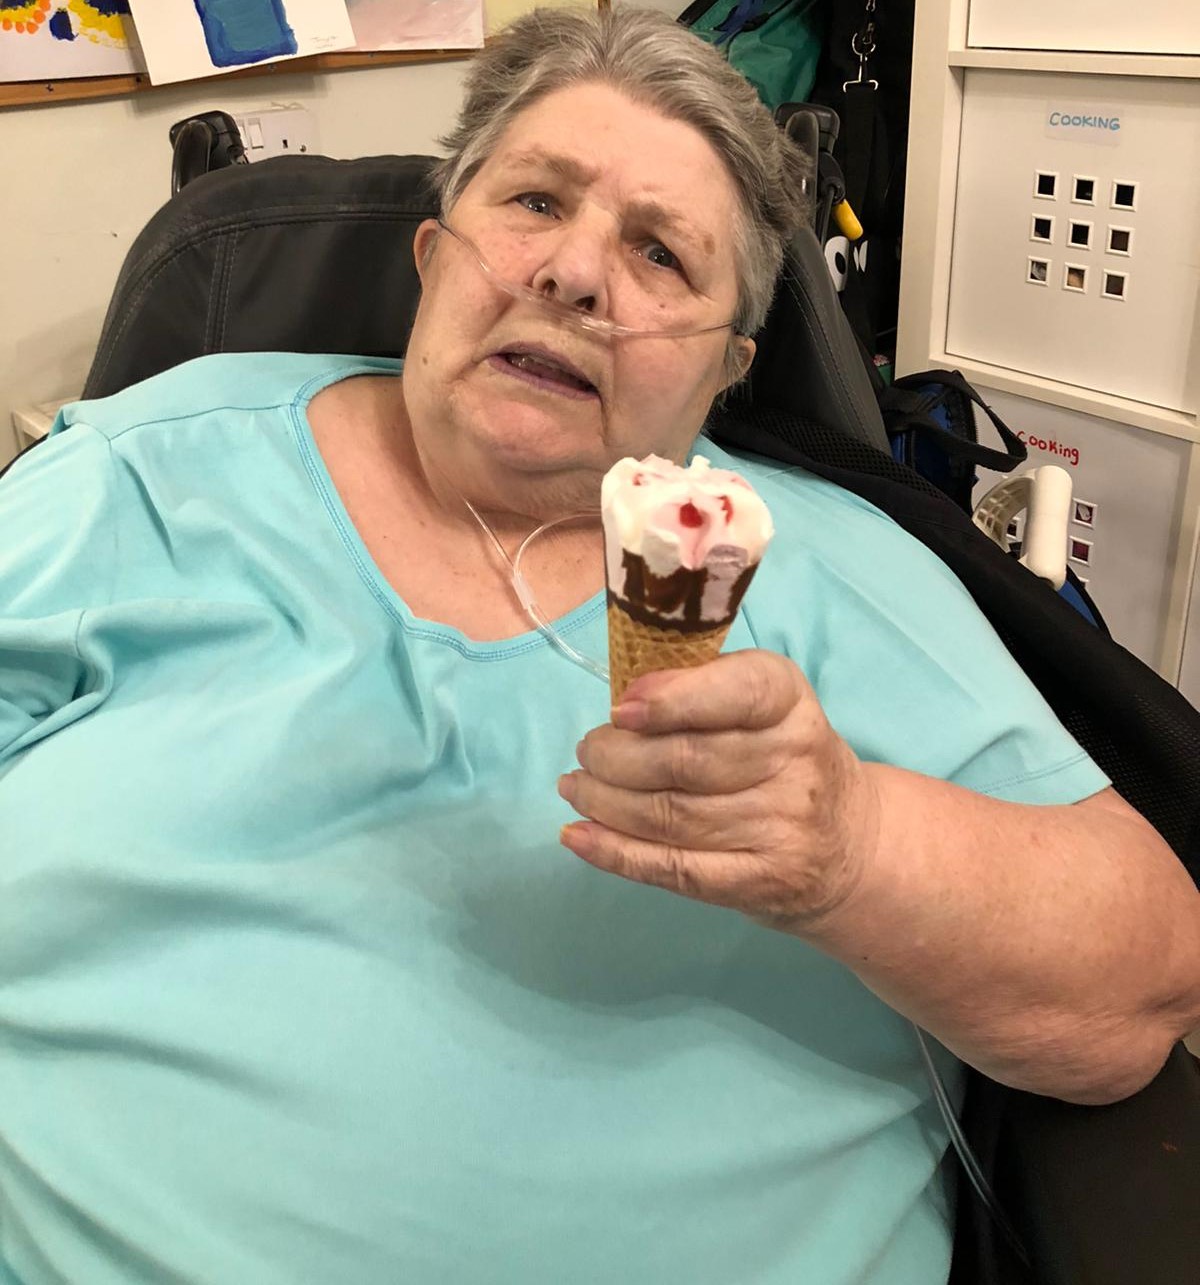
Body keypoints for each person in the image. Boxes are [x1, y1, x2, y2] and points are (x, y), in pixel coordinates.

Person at [0, 8, 1196, 1284]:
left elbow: (1149, 982)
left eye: (661, 254)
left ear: (728, 366)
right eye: (534, 201)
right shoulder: (144, 473)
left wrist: (852, 848)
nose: (573, 274)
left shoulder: (842, 571)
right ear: (432, 254)